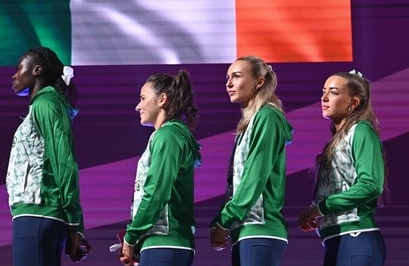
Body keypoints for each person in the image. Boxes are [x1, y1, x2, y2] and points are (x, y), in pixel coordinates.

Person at [6, 47, 91, 266]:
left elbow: (64, 162)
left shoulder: (46, 104)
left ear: (36, 70)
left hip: (38, 212)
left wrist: (74, 222)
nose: (14, 75)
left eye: (18, 68)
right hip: (39, 213)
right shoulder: (44, 106)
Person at [209, 56, 293, 266]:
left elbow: (253, 178)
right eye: (227, 77)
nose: (228, 83)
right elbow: (236, 183)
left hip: (261, 229)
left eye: (236, 76)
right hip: (246, 230)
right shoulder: (251, 123)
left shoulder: (267, 117)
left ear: (259, 81)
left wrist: (224, 221)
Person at [297, 70, 387, 266]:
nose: (324, 97)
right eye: (323, 91)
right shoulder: (334, 143)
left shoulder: (361, 130)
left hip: (356, 237)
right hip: (335, 242)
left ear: (353, 103)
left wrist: (321, 208)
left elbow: (370, 184)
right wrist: (314, 212)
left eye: (334, 92)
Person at [119, 70, 201, 266]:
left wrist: (131, 236)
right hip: (161, 245)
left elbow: (156, 192)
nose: (138, 106)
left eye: (143, 98)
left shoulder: (168, 135)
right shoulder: (166, 135)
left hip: (165, 243)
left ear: (162, 99)